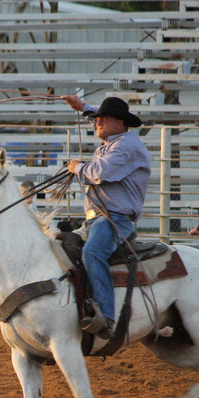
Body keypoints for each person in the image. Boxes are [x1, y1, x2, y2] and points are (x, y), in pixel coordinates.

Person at [60, 95, 151, 339]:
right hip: (97, 218)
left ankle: (106, 316)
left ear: (119, 123)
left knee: (92, 252)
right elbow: (97, 120)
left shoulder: (125, 147)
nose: (96, 122)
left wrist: (77, 167)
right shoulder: (115, 141)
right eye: (96, 118)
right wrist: (82, 108)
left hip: (114, 217)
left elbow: (100, 172)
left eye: (102, 119)